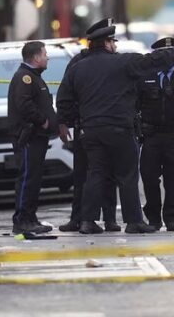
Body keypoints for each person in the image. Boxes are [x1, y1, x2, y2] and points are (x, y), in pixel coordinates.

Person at [57, 18, 174, 234]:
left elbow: (65, 97)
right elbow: (154, 60)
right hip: (119, 129)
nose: (115, 45)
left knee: (96, 174)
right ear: (106, 43)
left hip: (91, 130)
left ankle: (87, 221)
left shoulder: (78, 67)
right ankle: (133, 221)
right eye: (112, 41)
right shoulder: (123, 62)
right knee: (127, 175)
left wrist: (65, 122)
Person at [136, 37, 174, 232]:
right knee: (149, 178)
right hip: (151, 136)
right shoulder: (145, 77)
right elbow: (135, 105)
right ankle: (153, 217)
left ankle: (172, 218)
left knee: (173, 179)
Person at [58, 49, 120, 233]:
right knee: (81, 176)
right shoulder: (78, 62)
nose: (113, 46)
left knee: (108, 175)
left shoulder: (115, 61)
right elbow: (65, 94)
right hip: (84, 126)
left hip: (107, 124)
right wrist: (63, 121)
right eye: (110, 42)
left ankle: (110, 219)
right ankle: (77, 219)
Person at [7, 41, 57, 234]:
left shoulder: (33, 76)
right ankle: (21, 221)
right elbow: (24, 104)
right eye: (45, 54)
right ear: (36, 57)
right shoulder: (25, 78)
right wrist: (42, 120)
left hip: (37, 137)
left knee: (34, 178)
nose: (47, 57)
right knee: (28, 178)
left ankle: (30, 217)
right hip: (29, 136)